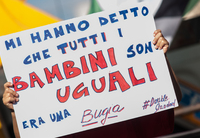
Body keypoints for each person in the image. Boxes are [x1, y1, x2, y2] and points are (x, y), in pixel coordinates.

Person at [2, 29, 182, 138]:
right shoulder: (66, 121)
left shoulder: (127, 109)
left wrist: (158, 57)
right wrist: (16, 110)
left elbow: (172, 97)